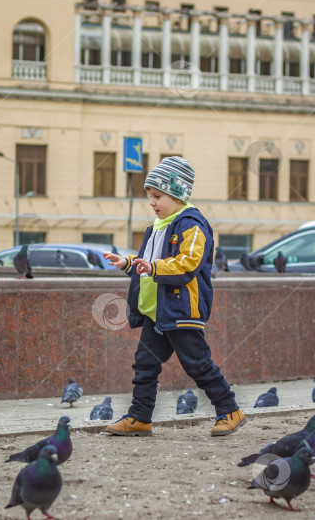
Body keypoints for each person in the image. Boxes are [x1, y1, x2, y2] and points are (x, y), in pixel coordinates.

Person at [102, 156, 244, 437]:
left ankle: (230, 410)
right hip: (158, 311)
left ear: (177, 194)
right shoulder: (159, 225)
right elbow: (149, 262)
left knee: (197, 363)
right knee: (145, 363)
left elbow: (187, 263)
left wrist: (152, 267)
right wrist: (130, 264)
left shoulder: (191, 224)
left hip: (181, 310)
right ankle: (140, 417)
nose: (152, 202)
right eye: (150, 197)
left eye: (157, 195)